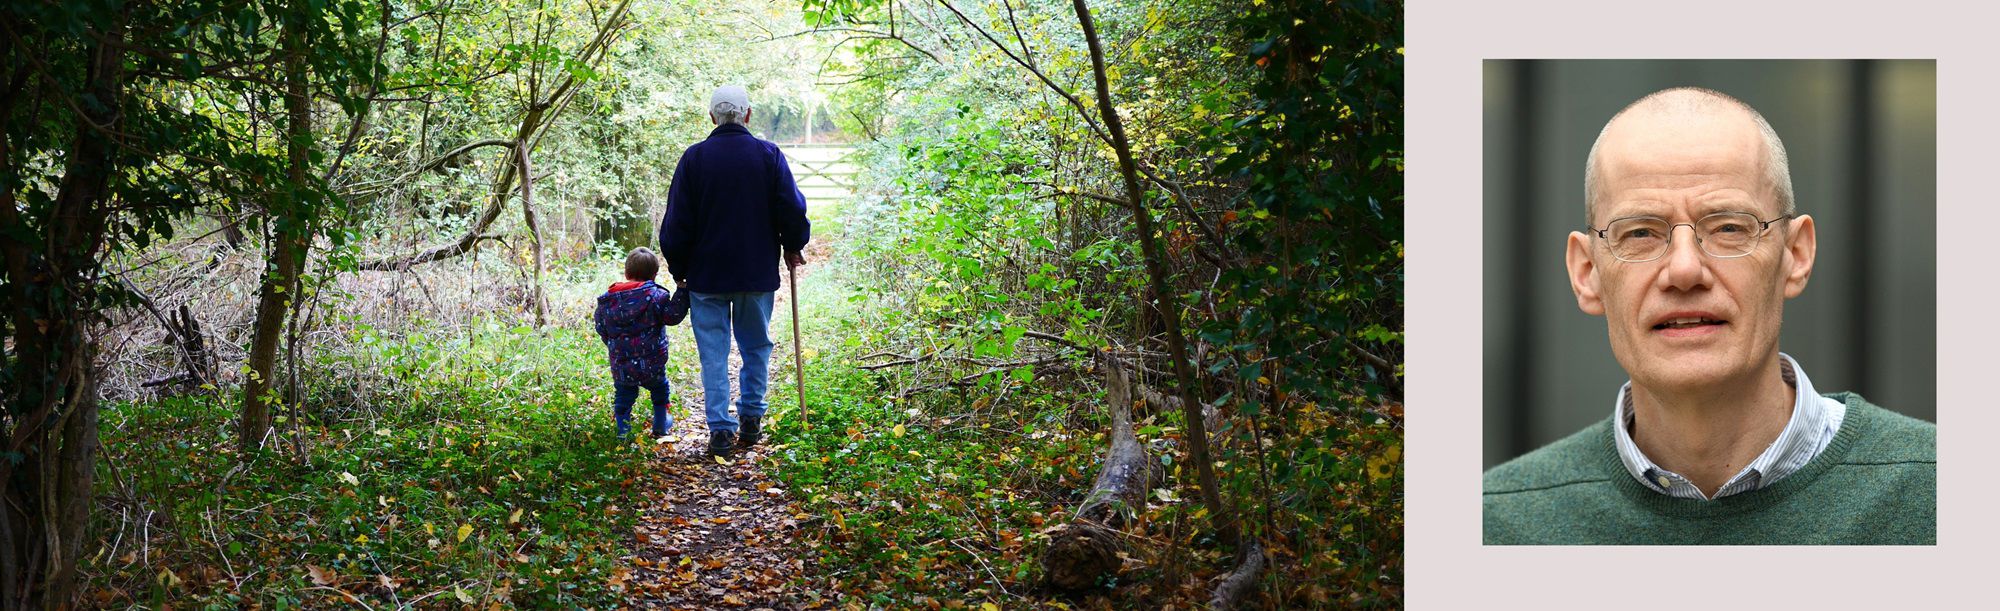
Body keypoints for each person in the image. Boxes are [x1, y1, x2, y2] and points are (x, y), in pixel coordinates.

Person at [1482, 87, 1935, 544]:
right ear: (1587, 272)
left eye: (1728, 228)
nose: (1683, 270)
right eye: (1639, 232)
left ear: (1795, 255)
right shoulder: (1495, 525)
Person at [659, 84, 811, 457]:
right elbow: (791, 209)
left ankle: (720, 431)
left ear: (712, 117)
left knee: (713, 353)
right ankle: (751, 419)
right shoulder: (768, 155)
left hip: (705, 277)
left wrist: (680, 270)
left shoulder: (694, 159)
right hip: (755, 274)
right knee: (756, 346)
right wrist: (794, 244)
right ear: (748, 114)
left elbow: (676, 223)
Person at [593, 247, 690, 439]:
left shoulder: (608, 301)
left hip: (621, 363)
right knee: (660, 389)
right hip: (652, 361)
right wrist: (682, 291)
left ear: (627, 273)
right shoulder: (657, 297)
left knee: (624, 395)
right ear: (654, 275)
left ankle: (623, 432)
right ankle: (661, 424)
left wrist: (615, 347)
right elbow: (672, 316)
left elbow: (601, 327)